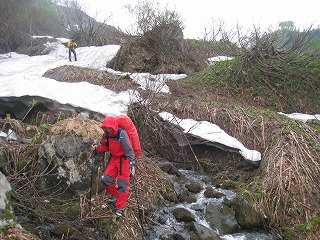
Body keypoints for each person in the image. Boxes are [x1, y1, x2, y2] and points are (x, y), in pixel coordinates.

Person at [91, 116, 136, 218]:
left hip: (124, 161)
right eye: (105, 128)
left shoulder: (121, 134)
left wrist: (132, 164)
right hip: (114, 159)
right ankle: (117, 196)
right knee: (105, 180)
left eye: (109, 128)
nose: (107, 130)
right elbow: (106, 147)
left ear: (113, 126)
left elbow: (129, 151)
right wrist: (96, 148)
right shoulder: (107, 135)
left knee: (123, 185)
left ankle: (120, 209)